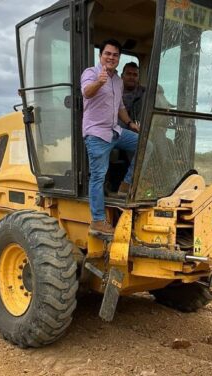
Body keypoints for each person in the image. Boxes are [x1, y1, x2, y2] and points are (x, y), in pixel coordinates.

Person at [81, 39, 140, 238]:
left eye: (115, 55)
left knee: (145, 145)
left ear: (118, 58)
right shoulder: (90, 73)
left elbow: (120, 106)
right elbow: (86, 93)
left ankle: (125, 185)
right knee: (98, 176)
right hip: (97, 133)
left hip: (115, 131)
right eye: (107, 53)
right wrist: (99, 81)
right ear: (101, 55)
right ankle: (98, 221)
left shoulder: (118, 81)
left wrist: (130, 123)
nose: (111, 57)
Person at [120, 62, 145, 127]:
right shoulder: (115, 92)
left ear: (138, 77)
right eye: (128, 74)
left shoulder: (144, 93)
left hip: (137, 127)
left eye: (135, 75)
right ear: (122, 76)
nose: (131, 77)